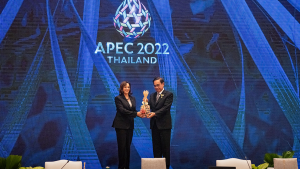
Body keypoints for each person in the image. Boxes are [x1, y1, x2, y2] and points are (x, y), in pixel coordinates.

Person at [112, 81, 144, 169]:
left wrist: (141, 113)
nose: (127, 89)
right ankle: (121, 167)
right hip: (121, 125)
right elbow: (122, 111)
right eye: (125, 87)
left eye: (128, 87)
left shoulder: (132, 98)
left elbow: (133, 110)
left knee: (127, 148)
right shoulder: (118, 98)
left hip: (130, 125)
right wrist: (136, 114)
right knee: (122, 148)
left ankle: (127, 167)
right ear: (122, 88)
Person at [147, 77, 173, 169]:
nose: (156, 87)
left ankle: (166, 167)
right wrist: (145, 106)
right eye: (154, 86)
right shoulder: (152, 95)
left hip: (165, 125)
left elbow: (166, 108)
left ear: (163, 84)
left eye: (158, 85)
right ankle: (157, 167)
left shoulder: (169, 94)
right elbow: (149, 106)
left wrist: (154, 113)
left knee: (165, 149)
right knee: (156, 148)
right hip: (154, 125)